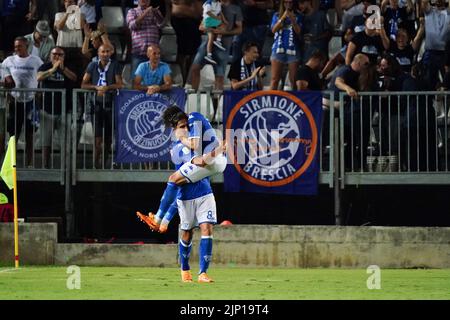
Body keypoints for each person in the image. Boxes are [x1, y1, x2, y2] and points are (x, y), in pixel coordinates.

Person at [136, 105, 226, 234]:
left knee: (174, 180)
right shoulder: (179, 145)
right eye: (180, 127)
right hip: (212, 161)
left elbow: (196, 146)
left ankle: (158, 219)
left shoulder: (193, 118)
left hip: (211, 164)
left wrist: (182, 138)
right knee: (177, 183)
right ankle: (161, 221)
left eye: (183, 125)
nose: (183, 128)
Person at [2, 36, 43, 167]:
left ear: (26, 46)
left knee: (30, 135)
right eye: (15, 46)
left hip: (31, 102)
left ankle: (29, 163)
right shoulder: (9, 60)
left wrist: (39, 92)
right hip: (15, 101)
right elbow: (3, 75)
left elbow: (43, 76)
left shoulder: (36, 61)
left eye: (19, 46)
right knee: (13, 135)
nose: (17, 49)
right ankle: (11, 164)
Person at [81, 44, 124, 169]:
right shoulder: (92, 65)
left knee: (108, 139)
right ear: (98, 53)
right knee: (97, 139)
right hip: (96, 105)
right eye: (102, 51)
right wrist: (96, 87)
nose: (105, 54)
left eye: (107, 51)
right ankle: (95, 164)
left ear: (110, 53)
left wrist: (107, 88)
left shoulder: (115, 65)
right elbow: (83, 84)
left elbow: (120, 84)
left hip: (111, 104)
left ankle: (104, 164)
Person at [37, 46, 77, 168]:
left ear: (64, 56)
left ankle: (65, 166)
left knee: (64, 140)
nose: (57, 57)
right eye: (54, 54)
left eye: (60, 55)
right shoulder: (45, 66)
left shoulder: (68, 66)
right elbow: (39, 77)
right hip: (47, 109)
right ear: (50, 56)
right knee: (46, 141)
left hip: (64, 109)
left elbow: (74, 78)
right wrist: (53, 69)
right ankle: (45, 165)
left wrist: (62, 68)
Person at [126, 0, 165, 78]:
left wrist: (157, 13)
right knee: (136, 81)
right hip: (139, 52)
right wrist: (145, 13)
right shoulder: (132, 11)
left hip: (153, 54)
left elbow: (161, 25)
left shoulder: (154, 13)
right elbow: (132, 25)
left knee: (154, 80)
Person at [269, 0, 302, 90]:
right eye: (286, 2)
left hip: (293, 50)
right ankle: (271, 101)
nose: (288, 4)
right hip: (278, 49)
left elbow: (298, 31)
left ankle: (295, 102)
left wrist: (293, 20)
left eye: (290, 2)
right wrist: (282, 18)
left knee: (293, 80)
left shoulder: (298, 15)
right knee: (274, 79)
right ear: (282, 3)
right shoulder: (276, 15)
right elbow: (273, 30)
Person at [170, 0, 203, 86]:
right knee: (181, 53)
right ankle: (185, 80)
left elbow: (199, 8)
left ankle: (189, 81)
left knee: (193, 53)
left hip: (194, 21)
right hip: (178, 21)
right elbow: (168, 5)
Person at [202, 0, 228, 65]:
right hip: (208, 21)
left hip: (213, 21)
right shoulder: (208, 2)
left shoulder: (218, 3)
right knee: (223, 25)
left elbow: (220, 12)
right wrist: (217, 18)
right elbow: (207, 12)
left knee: (211, 38)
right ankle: (218, 40)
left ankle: (209, 55)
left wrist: (224, 20)